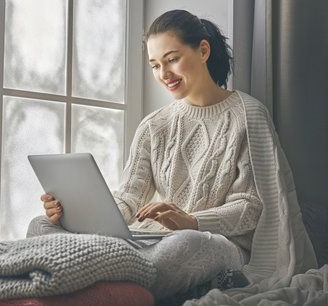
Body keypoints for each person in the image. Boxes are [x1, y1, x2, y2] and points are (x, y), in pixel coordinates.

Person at [26, 9, 316, 301]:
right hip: (153, 241)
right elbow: (128, 197)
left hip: (214, 244)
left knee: (186, 245)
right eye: (154, 65)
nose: (164, 75)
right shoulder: (154, 125)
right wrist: (73, 212)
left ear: (203, 50)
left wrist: (193, 221)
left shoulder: (248, 114)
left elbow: (252, 207)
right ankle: (105, 280)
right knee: (40, 225)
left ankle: (92, 282)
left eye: (172, 59)